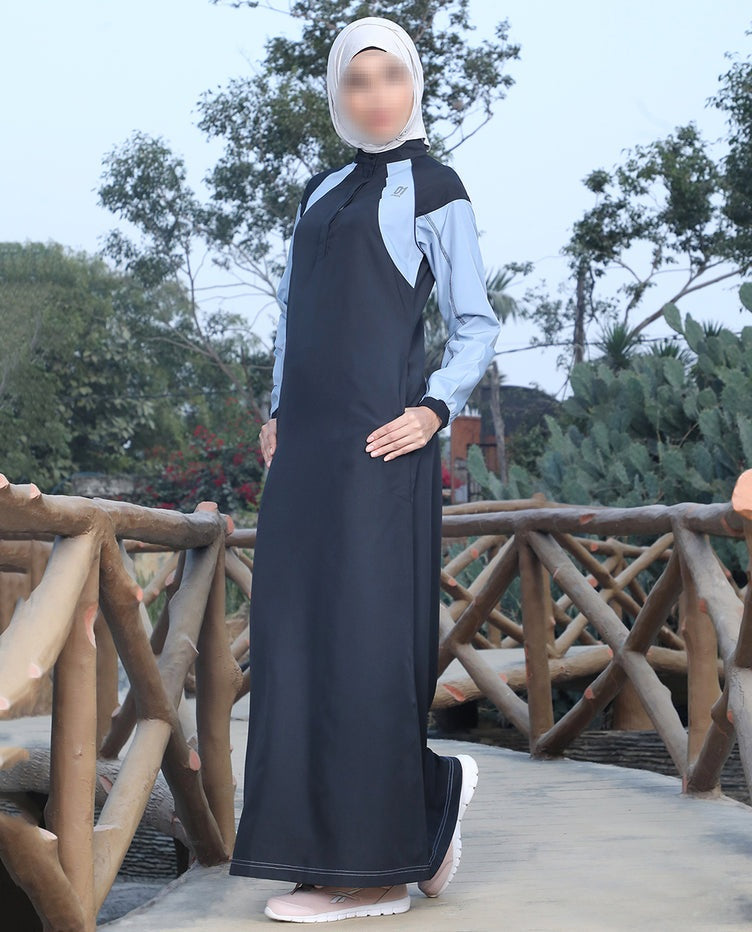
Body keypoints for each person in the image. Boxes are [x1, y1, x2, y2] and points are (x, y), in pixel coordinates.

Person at [228, 14, 501, 923]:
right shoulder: (321, 189)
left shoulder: (436, 186)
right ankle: (395, 819)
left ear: (414, 84)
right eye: (357, 79)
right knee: (297, 645)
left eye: (391, 76)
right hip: (304, 454)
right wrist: (277, 412)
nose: (376, 95)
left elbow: (475, 322)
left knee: (365, 646)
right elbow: (291, 315)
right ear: (338, 93)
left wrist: (433, 410)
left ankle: (376, 872)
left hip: (383, 451)